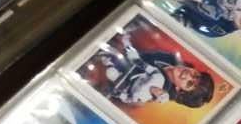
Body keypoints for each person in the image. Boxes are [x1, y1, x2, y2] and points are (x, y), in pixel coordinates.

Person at [86, 30, 214, 108]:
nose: (188, 75)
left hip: (97, 66)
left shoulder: (156, 90)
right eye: (195, 75)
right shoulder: (170, 58)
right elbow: (138, 56)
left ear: (179, 90)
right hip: (112, 46)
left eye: (189, 83)